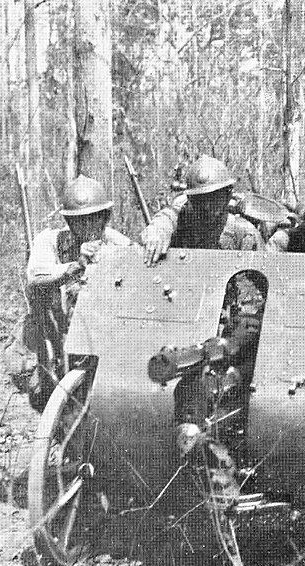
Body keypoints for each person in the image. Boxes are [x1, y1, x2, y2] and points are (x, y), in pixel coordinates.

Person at [26, 174, 131, 410]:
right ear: (69, 222)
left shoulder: (119, 245)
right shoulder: (50, 240)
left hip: (101, 342)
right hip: (55, 343)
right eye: (79, 221)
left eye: (93, 219)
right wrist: (75, 267)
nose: (86, 227)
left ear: (105, 217)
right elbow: (35, 277)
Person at [141, 154, 264, 265]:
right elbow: (166, 218)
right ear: (189, 199)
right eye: (199, 200)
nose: (206, 207)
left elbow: (265, 274)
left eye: (214, 198)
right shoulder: (182, 219)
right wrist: (157, 232)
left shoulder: (244, 233)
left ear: (227, 196)